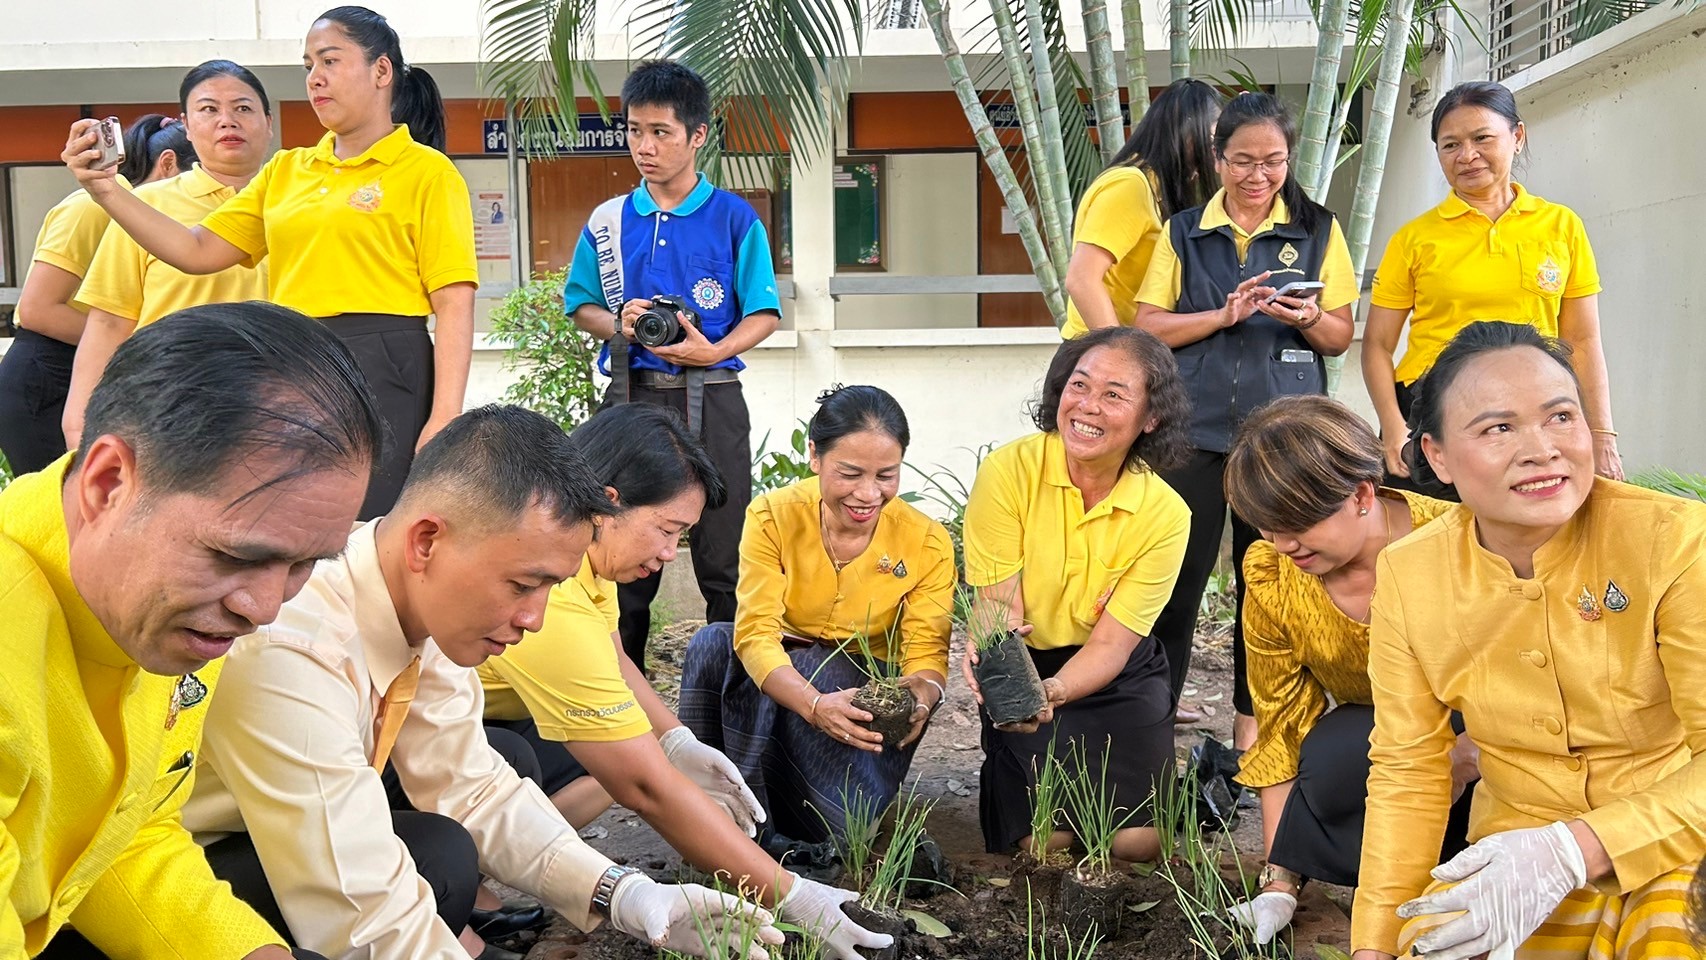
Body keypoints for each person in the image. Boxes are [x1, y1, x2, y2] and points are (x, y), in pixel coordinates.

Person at [183, 404, 781, 960]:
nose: (535, 618)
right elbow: (361, 908)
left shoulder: (424, 608)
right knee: (426, 867)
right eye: (522, 585)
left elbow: (472, 787)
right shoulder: (295, 646)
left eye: (550, 588)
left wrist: (621, 892)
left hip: (284, 833)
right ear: (427, 541)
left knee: (446, 844)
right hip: (195, 857)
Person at [3, 300, 383, 960]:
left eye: (305, 564)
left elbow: (129, 833)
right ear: (108, 484)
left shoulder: (167, 610)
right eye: (237, 555)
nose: (264, 608)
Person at [479, 403, 891, 960]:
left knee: (608, 751)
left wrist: (676, 741)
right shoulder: (551, 593)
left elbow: (613, 657)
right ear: (610, 502)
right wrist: (793, 896)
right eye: (668, 530)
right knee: (592, 763)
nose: (670, 553)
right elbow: (643, 787)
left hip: (492, 717)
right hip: (418, 744)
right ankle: (450, 882)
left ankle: (465, 884)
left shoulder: (585, 550)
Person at [1350, 322, 1706, 960]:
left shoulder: (1674, 540)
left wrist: (1574, 848)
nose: (1542, 450)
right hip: (1512, 854)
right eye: (1498, 428)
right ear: (1436, 456)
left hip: (1674, 836)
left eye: (1561, 417)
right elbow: (1409, 769)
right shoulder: (1409, 574)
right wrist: (1372, 947)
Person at [61, 5, 476, 519]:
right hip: (293, 359)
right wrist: (105, 188)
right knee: (289, 520)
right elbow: (195, 250)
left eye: (330, 60)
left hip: (385, 359)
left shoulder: (428, 172)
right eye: (308, 66)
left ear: (381, 70)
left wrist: (445, 415)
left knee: (370, 524)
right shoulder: (287, 169)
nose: (315, 78)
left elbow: (454, 300)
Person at [1133, 91, 1359, 743]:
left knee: (1269, 587)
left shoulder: (1317, 230)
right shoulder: (1184, 231)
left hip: (1282, 439)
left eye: (1273, 161)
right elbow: (1148, 326)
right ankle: (1152, 724)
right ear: (1217, 158)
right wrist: (1222, 315)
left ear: (1289, 159)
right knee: (1176, 586)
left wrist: (1308, 316)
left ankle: (1252, 733)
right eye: (1243, 161)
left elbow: (1340, 335)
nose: (1258, 176)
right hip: (1193, 432)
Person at [1216, 396, 1475, 945]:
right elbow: (1282, 724)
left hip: (1487, 743)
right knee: (1335, 752)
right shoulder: (1274, 574)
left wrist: (1467, 753)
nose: (1283, 545)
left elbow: (1534, 677)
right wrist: (1279, 881)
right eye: (1267, 527)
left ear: (1360, 495)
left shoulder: (1458, 541)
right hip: (1381, 745)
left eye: (1296, 525)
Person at [564, 59, 781, 672]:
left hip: (713, 394)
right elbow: (582, 305)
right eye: (635, 131)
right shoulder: (609, 220)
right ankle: (616, 692)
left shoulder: (734, 219)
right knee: (615, 548)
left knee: (723, 555)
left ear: (697, 134)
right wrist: (621, 324)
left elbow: (765, 313)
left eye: (660, 132)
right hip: (630, 397)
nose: (645, 146)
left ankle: (730, 694)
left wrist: (714, 350)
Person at [678, 386, 953, 847]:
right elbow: (756, 632)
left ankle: (815, 818)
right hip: (790, 676)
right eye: (850, 473)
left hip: (861, 691)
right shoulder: (774, 516)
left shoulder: (926, 542)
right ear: (814, 455)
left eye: (886, 475)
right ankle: (712, 813)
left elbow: (927, 654)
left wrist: (923, 694)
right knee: (714, 644)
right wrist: (813, 704)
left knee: (830, 830)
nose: (868, 494)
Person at [961, 326, 1193, 862]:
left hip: (1116, 671)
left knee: (1138, 843)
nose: (1088, 406)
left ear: (1151, 418)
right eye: (1080, 385)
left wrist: (1059, 690)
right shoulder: (1009, 471)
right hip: (1028, 661)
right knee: (1046, 840)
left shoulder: (1165, 514)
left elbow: (1113, 643)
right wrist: (1007, 672)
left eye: (1114, 394)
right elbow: (998, 604)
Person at [1363, 81, 1622, 488]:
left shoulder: (1561, 226)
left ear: (1517, 137)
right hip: (1432, 413)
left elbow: (1583, 340)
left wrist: (1601, 432)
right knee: (1432, 525)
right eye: (1450, 145)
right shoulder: (1413, 239)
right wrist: (1394, 428)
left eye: (1482, 138)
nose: (1467, 156)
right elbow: (1377, 345)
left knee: (1531, 521)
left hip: (1534, 411)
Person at [63, 60, 275, 446]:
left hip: (277, 408)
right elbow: (110, 321)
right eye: (209, 109)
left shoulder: (298, 204)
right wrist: (79, 428)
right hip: (167, 409)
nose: (227, 121)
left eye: (243, 108)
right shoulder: (144, 206)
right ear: (186, 127)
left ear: (269, 122)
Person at [0, 115, 190, 474]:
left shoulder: (148, 219)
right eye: (195, 179)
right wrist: (129, 338)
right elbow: (38, 309)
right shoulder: (92, 205)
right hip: (46, 376)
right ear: (167, 164)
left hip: (96, 370)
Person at [1061, 78, 1224, 339]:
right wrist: (1120, 351)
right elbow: (1081, 279)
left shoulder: (1158, 188)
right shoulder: (1131, 185)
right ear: (1188, 131)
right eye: (1215, 137)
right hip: (1098, 350)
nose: (1217, 150)